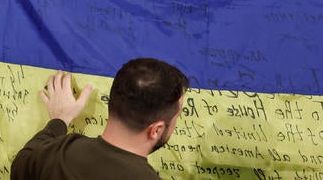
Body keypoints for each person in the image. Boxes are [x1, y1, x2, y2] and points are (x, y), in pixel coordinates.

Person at [10, 58, 189, 180]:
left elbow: (20, 165)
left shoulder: (56, 155)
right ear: (156, 130)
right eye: (176, 117)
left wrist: (59, 120)